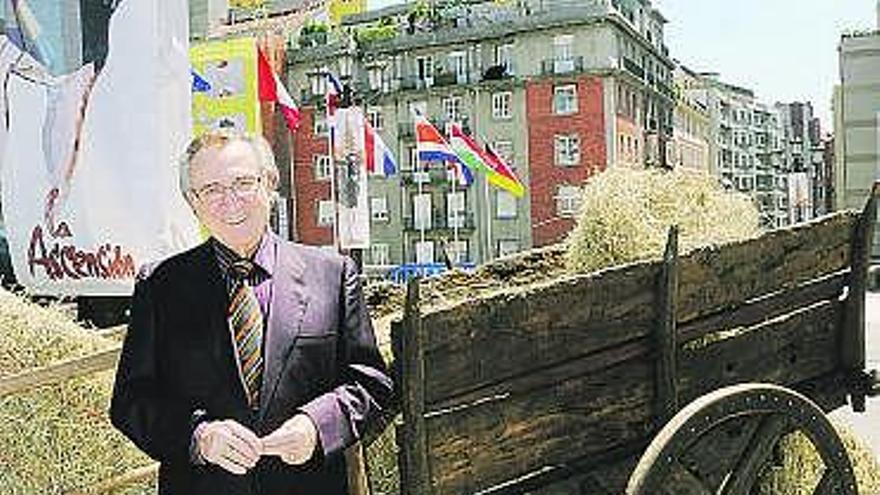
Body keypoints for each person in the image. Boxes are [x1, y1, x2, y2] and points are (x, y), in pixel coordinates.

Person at [110, 130, 394, 494]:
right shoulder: (161, 285)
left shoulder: (332, 276)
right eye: (211, 189)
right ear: (191, 201)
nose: (230, 201)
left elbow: (370, 384)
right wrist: (199, 436)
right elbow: (131, 400)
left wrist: (317, 425)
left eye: (243, 182)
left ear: (270, 185)